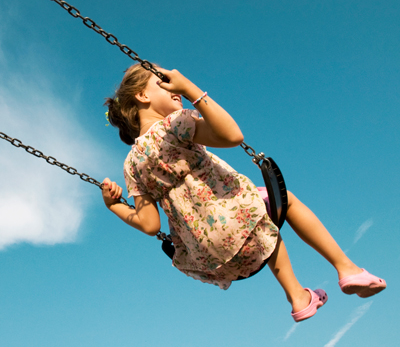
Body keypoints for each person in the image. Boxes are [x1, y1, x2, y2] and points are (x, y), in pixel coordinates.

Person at [101, 64, 386, 322]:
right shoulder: (174, 125)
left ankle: (298, 297)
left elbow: (150, 225)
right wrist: (189, 88)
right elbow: (232, 136)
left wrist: (115, 206)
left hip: (207, 255)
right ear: (142, 96)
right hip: (234, 217)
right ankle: (346, 268)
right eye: (162, 79)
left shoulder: (130, 165)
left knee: (261, 223)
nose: (172, 83)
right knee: (282, 203)